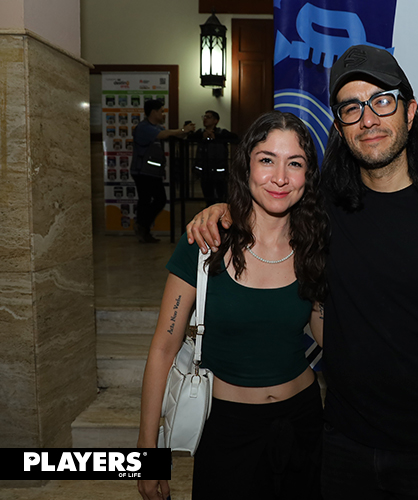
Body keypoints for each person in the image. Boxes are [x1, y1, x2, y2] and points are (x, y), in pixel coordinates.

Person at [186, 45, 418, 500]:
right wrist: (223, 210)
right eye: (351, 108)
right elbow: (270, 200)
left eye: (382, 101)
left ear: (410, 112)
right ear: (340, 128)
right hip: (344, 446)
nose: (368, 119)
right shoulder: (323, 208)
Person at [137, 110, 328, 500]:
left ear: (308, 175)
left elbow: (328, 337)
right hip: (227, 428)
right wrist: (147, 450)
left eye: (295, 163)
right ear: (246, 167)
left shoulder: (315, 245)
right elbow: (163, 348)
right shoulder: (205, 241)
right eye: (267, 160)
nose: (280, 177)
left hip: (304, 421)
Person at [131, 99, 196, 243]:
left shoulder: (157, 127)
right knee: (150, 200)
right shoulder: (144, 127)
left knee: (152, 200)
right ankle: (142, 226)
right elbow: (163, 135)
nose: (163, 114)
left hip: (152, 172)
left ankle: (143, 228)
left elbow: (171, 135)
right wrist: (183, 130)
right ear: (153, 112)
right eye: (161, 111)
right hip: (142, 172)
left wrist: (185, 131)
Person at [190, 110, 239, 206]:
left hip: (219, 172)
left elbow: (235, 137)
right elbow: (190, 138)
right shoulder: (200, 132)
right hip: (204, 172)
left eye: (208, 117)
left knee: (222, 198)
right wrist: (202, 136)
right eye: (204, 117)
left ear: (216, 121)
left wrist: (216, 137)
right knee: (208, 199)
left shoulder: (222, 132)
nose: (205, 119)